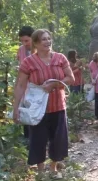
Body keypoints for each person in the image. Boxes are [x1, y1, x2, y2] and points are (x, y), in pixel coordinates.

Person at [12, 29, 74, 172]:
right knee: (38, 139)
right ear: (36, 43)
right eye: (43, 39)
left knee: (58, 139)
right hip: (37, 108)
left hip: (58, 106)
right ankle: (40, 171)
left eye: (49, 38)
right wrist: (16, 108)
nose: (47, 41)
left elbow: (71, 78)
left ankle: (53, 167)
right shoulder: (28, 62)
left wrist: (55, 84)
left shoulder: (60, 58)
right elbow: (20, 85)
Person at [17, 26, 34, 143]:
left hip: (37, 88)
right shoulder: (21, 50)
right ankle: (27, 141)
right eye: (22, 41)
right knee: (25, 114)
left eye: (27, 40)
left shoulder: (41, 49)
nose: (24, 43)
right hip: (25, 87)